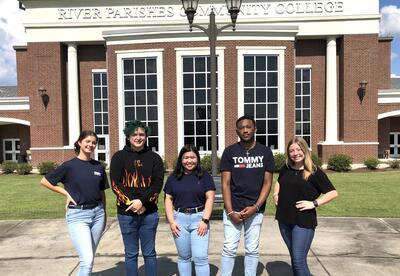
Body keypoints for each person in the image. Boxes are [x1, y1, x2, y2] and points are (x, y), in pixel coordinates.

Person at [40, 130, 108, 276]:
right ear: (79, 142)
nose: (91, 145)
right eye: (88, 141)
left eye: (94, 142)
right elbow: (45, 181)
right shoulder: (69, 166)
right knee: (87, 260)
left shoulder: (99, 167)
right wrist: (66, 193)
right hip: (78, 216)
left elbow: (101, 192)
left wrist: (105, 214)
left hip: (98, 215)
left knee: (89, 259)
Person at [273, 136, 338, 276]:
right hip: (284, 219)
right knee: (295, 258)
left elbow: (333, 193)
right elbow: (279, 181)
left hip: (303, 221)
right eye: (291, 150)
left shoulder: (314, 171)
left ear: (305, 150)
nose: (295, 153)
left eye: (298, 149)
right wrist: (276, 194)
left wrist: (314, 203)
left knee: (298, 261)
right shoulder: (286, 168)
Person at [220, 115, 275, 276]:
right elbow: (225, 184)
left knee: (252, 249)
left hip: (255, 210)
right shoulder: (229, 152)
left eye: (248, 127)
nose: (245, 130)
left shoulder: (265, 152)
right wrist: (230, 211)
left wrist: (256, 207)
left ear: (255, 129)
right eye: (241, 127)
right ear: (237, 131)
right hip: (233, 209)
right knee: (229, 248)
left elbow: (267, 183)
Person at [110, 120, 164, 276]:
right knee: (131, 254)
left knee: (149, 253)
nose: (138, 137)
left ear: (146, 136)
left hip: (149, 213)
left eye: (142, 134)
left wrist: (142, 202)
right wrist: (132, 203)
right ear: (128, 137)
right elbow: (116, 184)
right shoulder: (119, 157)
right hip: (126, 214)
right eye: (134, 134)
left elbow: (157, 184)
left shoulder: (154, 158)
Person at [164, 145, 216, 276]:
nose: (189, 161)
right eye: (186, 157)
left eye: (192, 157)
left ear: (197, 159)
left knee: (200, 258)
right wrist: (171, 222)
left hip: (199, 219)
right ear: (181, 160)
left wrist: (205, 220)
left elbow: (210, 198)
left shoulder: (204, 176)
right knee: (184, 257)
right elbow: (168, 199)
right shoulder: (173, 178)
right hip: (179, 220)